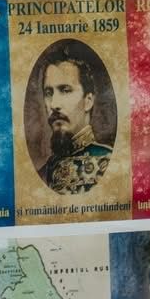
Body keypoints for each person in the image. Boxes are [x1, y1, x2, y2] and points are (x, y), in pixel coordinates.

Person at [34, 42, 113, 195]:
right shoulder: (43, 173)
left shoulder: (108, 162)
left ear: (88, 101)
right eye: (48, 93)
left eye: (65, 90)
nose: (54, 104)